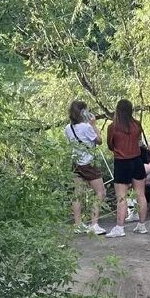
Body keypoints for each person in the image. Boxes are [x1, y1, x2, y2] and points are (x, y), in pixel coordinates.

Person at [105, 99, 147, 238]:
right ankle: (141, 225)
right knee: (140, 194)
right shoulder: (137, 125)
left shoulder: (113, 127)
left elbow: (111, 146)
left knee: (121, 197)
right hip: (137, 160)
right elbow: (139, 141)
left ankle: (120, 227)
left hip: (122, 162)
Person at [64, 100, 106, 235]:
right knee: (101, 192)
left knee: (77, 195)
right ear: (83, 112)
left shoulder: (67, 128)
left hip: (75, 163)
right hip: (88, 163)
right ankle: (94, 223)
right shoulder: (86, 127)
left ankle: (78, 224)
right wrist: (93, 125)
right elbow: (99, 141)